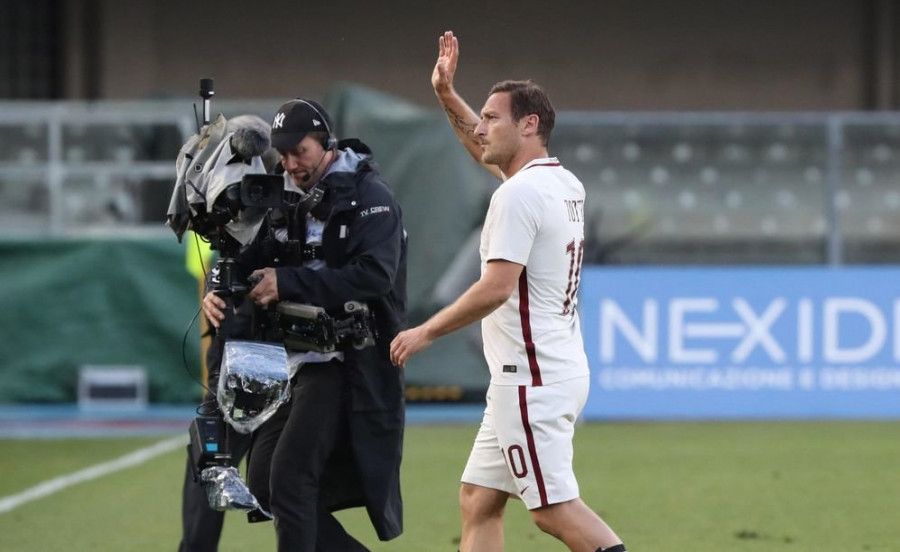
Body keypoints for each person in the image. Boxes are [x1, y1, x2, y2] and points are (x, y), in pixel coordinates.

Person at [390, 31, 627, 552]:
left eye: (492, 117)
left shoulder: (517, 195)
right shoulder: (562, 183)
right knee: (479, 498)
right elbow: (485, 149)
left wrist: (428, 330)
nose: (481, 126)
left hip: (530, 378)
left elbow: (497, 289)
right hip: (545, 370)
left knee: (551, 511)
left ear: (529, 124)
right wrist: (445, 93)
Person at [202, 98, 408, 551]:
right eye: (285, 154)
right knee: (267, 486)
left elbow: (376, 275)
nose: (292, 164)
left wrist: (287, 282)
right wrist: (217, 288)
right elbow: (242, 258)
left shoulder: (370, 195)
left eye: (302, 152)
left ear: (327, 144)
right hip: (288, 360)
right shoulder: (276, 195)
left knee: (291, 478)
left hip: (343, 360)